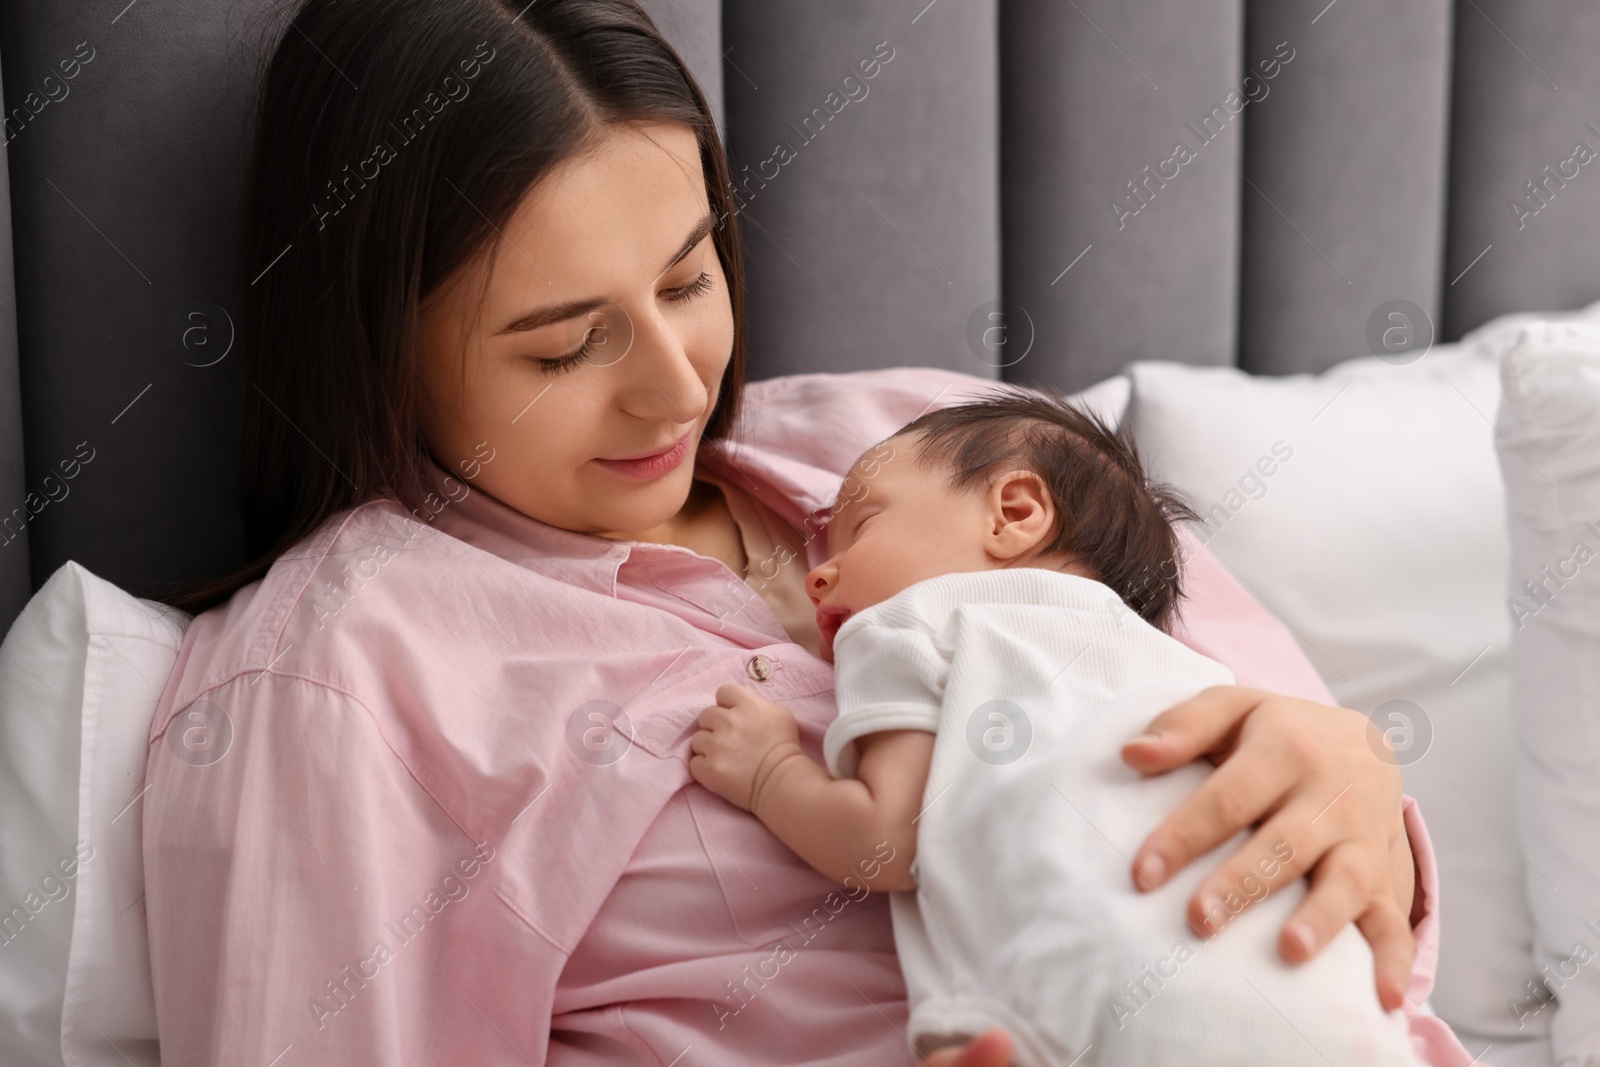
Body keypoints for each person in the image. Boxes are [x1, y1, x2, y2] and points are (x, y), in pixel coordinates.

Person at [143, 1, 1466, 1063]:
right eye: (565, 344)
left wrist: (1353, 780)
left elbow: (1345, 868)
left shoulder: (942, 435)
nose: (676, 383)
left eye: (688, 276)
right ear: (380, 348)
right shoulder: (339, 677)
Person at [687, 385, 1431, 1065]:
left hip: (1096, 1002)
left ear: (1015, 512)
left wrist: (769, 772)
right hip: (1334, 1004)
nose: (821, 570)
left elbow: (887, 841)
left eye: (862, 526)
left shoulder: (918, 618)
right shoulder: (1191, 671)